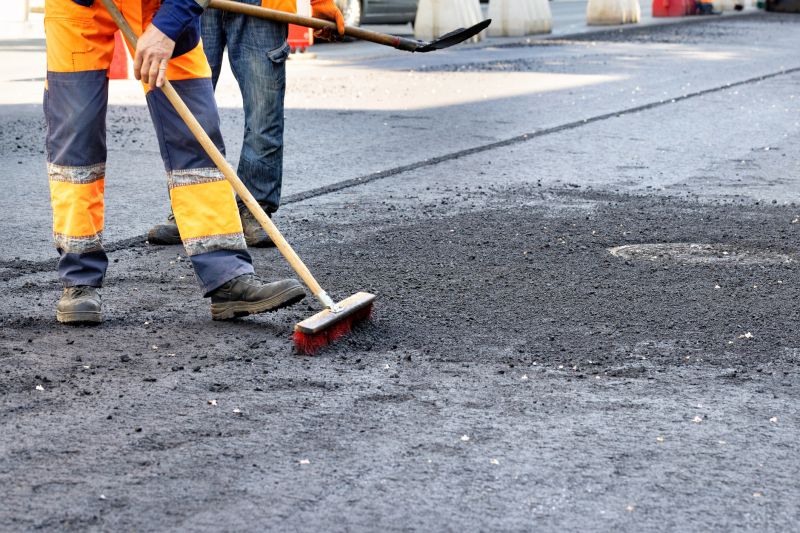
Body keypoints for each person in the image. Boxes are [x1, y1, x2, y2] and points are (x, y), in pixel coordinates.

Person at [46, 0, 310, 324]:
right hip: (78, 9)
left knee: (196, 134)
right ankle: (79, 279)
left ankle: (227, 275)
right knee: (76, 134)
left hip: (162, 4)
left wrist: (168, 26)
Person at [147, 0, 344, 247]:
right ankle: (192, 210)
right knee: (187, 111)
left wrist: (319, 3)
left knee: (263, 111)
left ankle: (255, 210)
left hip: (260, 3)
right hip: (193, 4)